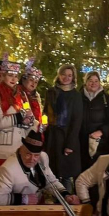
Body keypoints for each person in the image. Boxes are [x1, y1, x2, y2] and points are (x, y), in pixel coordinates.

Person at [0, 130, 79, 206]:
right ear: (20, 150)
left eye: (36, 155)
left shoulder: (43, 157)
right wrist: (24, 199)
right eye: (28, 154)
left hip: (36, 209)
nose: (32, 159)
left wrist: (66, 195)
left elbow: (50, 181)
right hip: (15, 214)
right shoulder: (8, 169)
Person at [0, 56, 36, 175]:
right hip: (3, 148)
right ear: (3, 76)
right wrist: (20, 117)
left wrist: (29, 121)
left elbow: (28, 115)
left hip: (19, 147)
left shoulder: (21, 95)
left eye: (15, 76)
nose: (13, 79)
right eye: (10, 75)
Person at [43, 64, 83, 192]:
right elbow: (45, 112)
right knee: (52, 173)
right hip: (53, 138)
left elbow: (77, 121)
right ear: (59, 75)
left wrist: (70, 144)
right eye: (64, 74)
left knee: (65, 174)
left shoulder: (76, 95)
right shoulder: (51, 92)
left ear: (73, 78)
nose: (66, 78)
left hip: (67, 138)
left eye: (69, 75)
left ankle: (66, 202)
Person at [80, 71, 109, 171]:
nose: (93, 83)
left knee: (98, 171)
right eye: (90, 80)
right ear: (85, 82)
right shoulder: (78, 97)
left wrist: (102, 132)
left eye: (96, 81)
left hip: (100, 143)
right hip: (81, 141)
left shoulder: (107, 99)